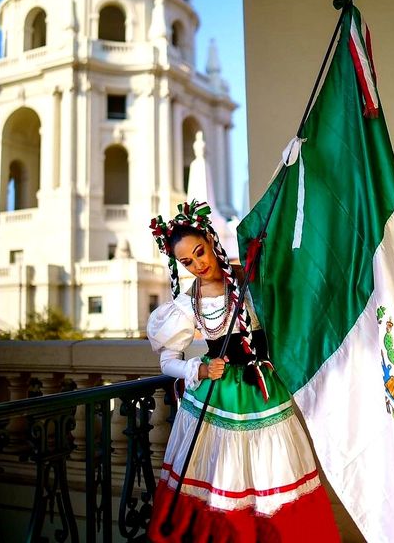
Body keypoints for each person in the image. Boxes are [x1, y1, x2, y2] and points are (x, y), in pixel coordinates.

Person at [146, 200, 340, 542]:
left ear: (210, 239)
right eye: (186, 261)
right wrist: (199, 369)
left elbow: (292, 297)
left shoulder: (251, 279)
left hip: (262, 389)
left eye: (200, 252)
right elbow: (167, 361)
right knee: (225, 475)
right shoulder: (185, 304)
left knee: (272, 470)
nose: (198, 264)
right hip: (217, 392)